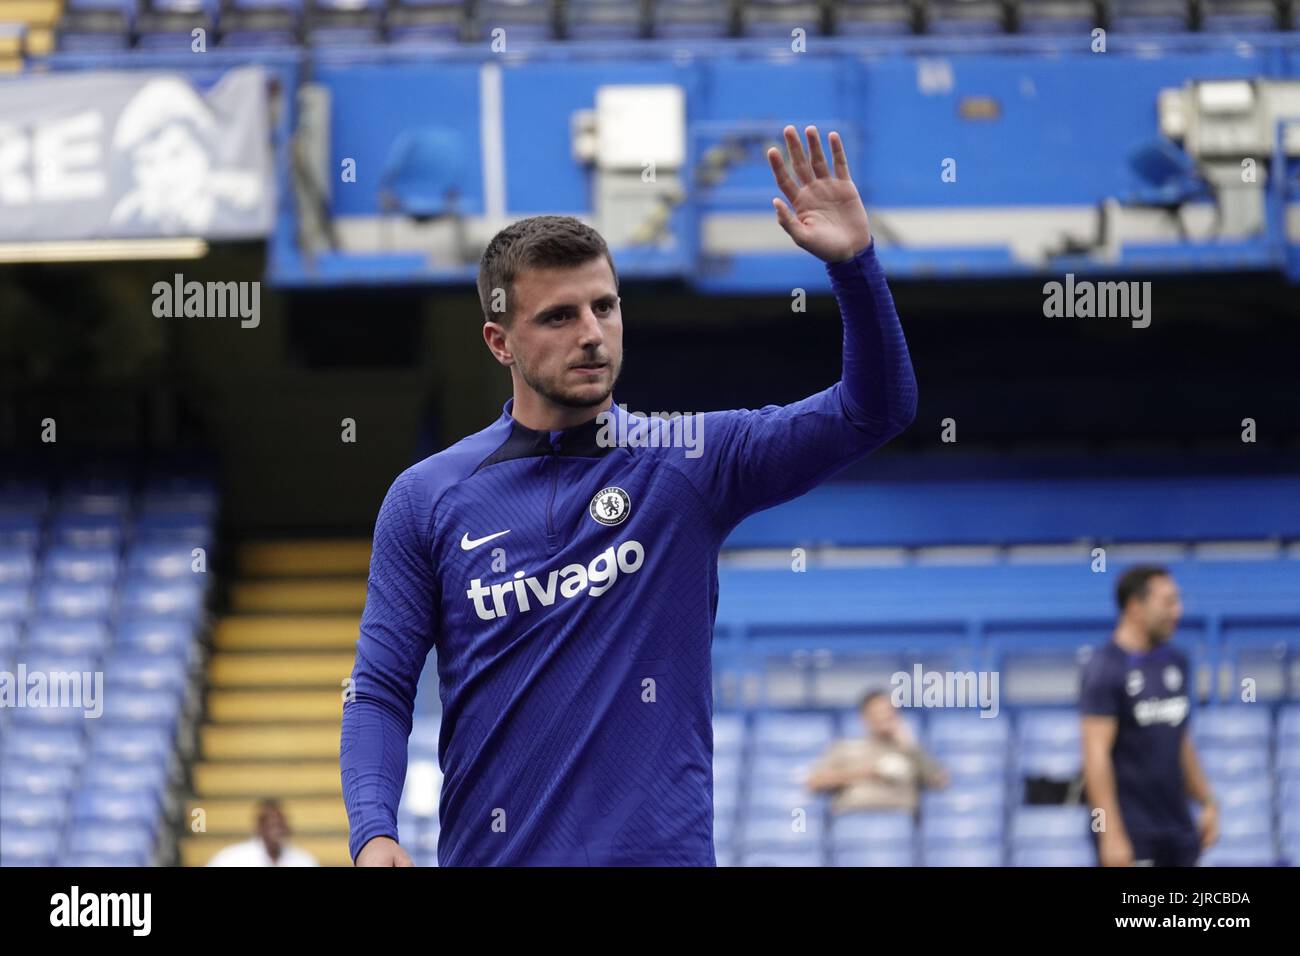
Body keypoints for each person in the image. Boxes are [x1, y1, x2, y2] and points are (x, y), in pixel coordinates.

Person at [341, 124, 918, 866]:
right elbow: (380, 691)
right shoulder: (427, 497)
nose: (592, 334)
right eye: (559, 316)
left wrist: (856, 270)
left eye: (604, 308)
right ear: (499, 342)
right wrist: (373, 831)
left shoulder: (690, 460)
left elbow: (874, 410)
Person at [1080, 565, 1219, 866]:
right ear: (1135, 606)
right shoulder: (1105, 668)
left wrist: (1206, 801)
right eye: (1168, 602)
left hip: (1178, 826)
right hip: (1132, 831)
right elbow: (1095, 755)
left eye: (1178, 601)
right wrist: (1110, 833)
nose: (1177, 611)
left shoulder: (1176, 661)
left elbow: (1179, 738)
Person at [806, 690, 948, 814]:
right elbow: (815, 782)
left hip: (900, 822)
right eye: (878, 713)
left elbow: (940, 781)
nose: (884, 718)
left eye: (889, 713)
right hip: (853, 819)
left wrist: (911, 748)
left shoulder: (909, 750)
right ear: (864, 718)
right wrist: (868, 773)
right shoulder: (846, 747)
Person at [205, 798, 319, 867]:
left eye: (279, 824)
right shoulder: (231, 859)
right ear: (258, 827)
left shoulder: (303, 860)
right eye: (270, 824)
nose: (276, 829)